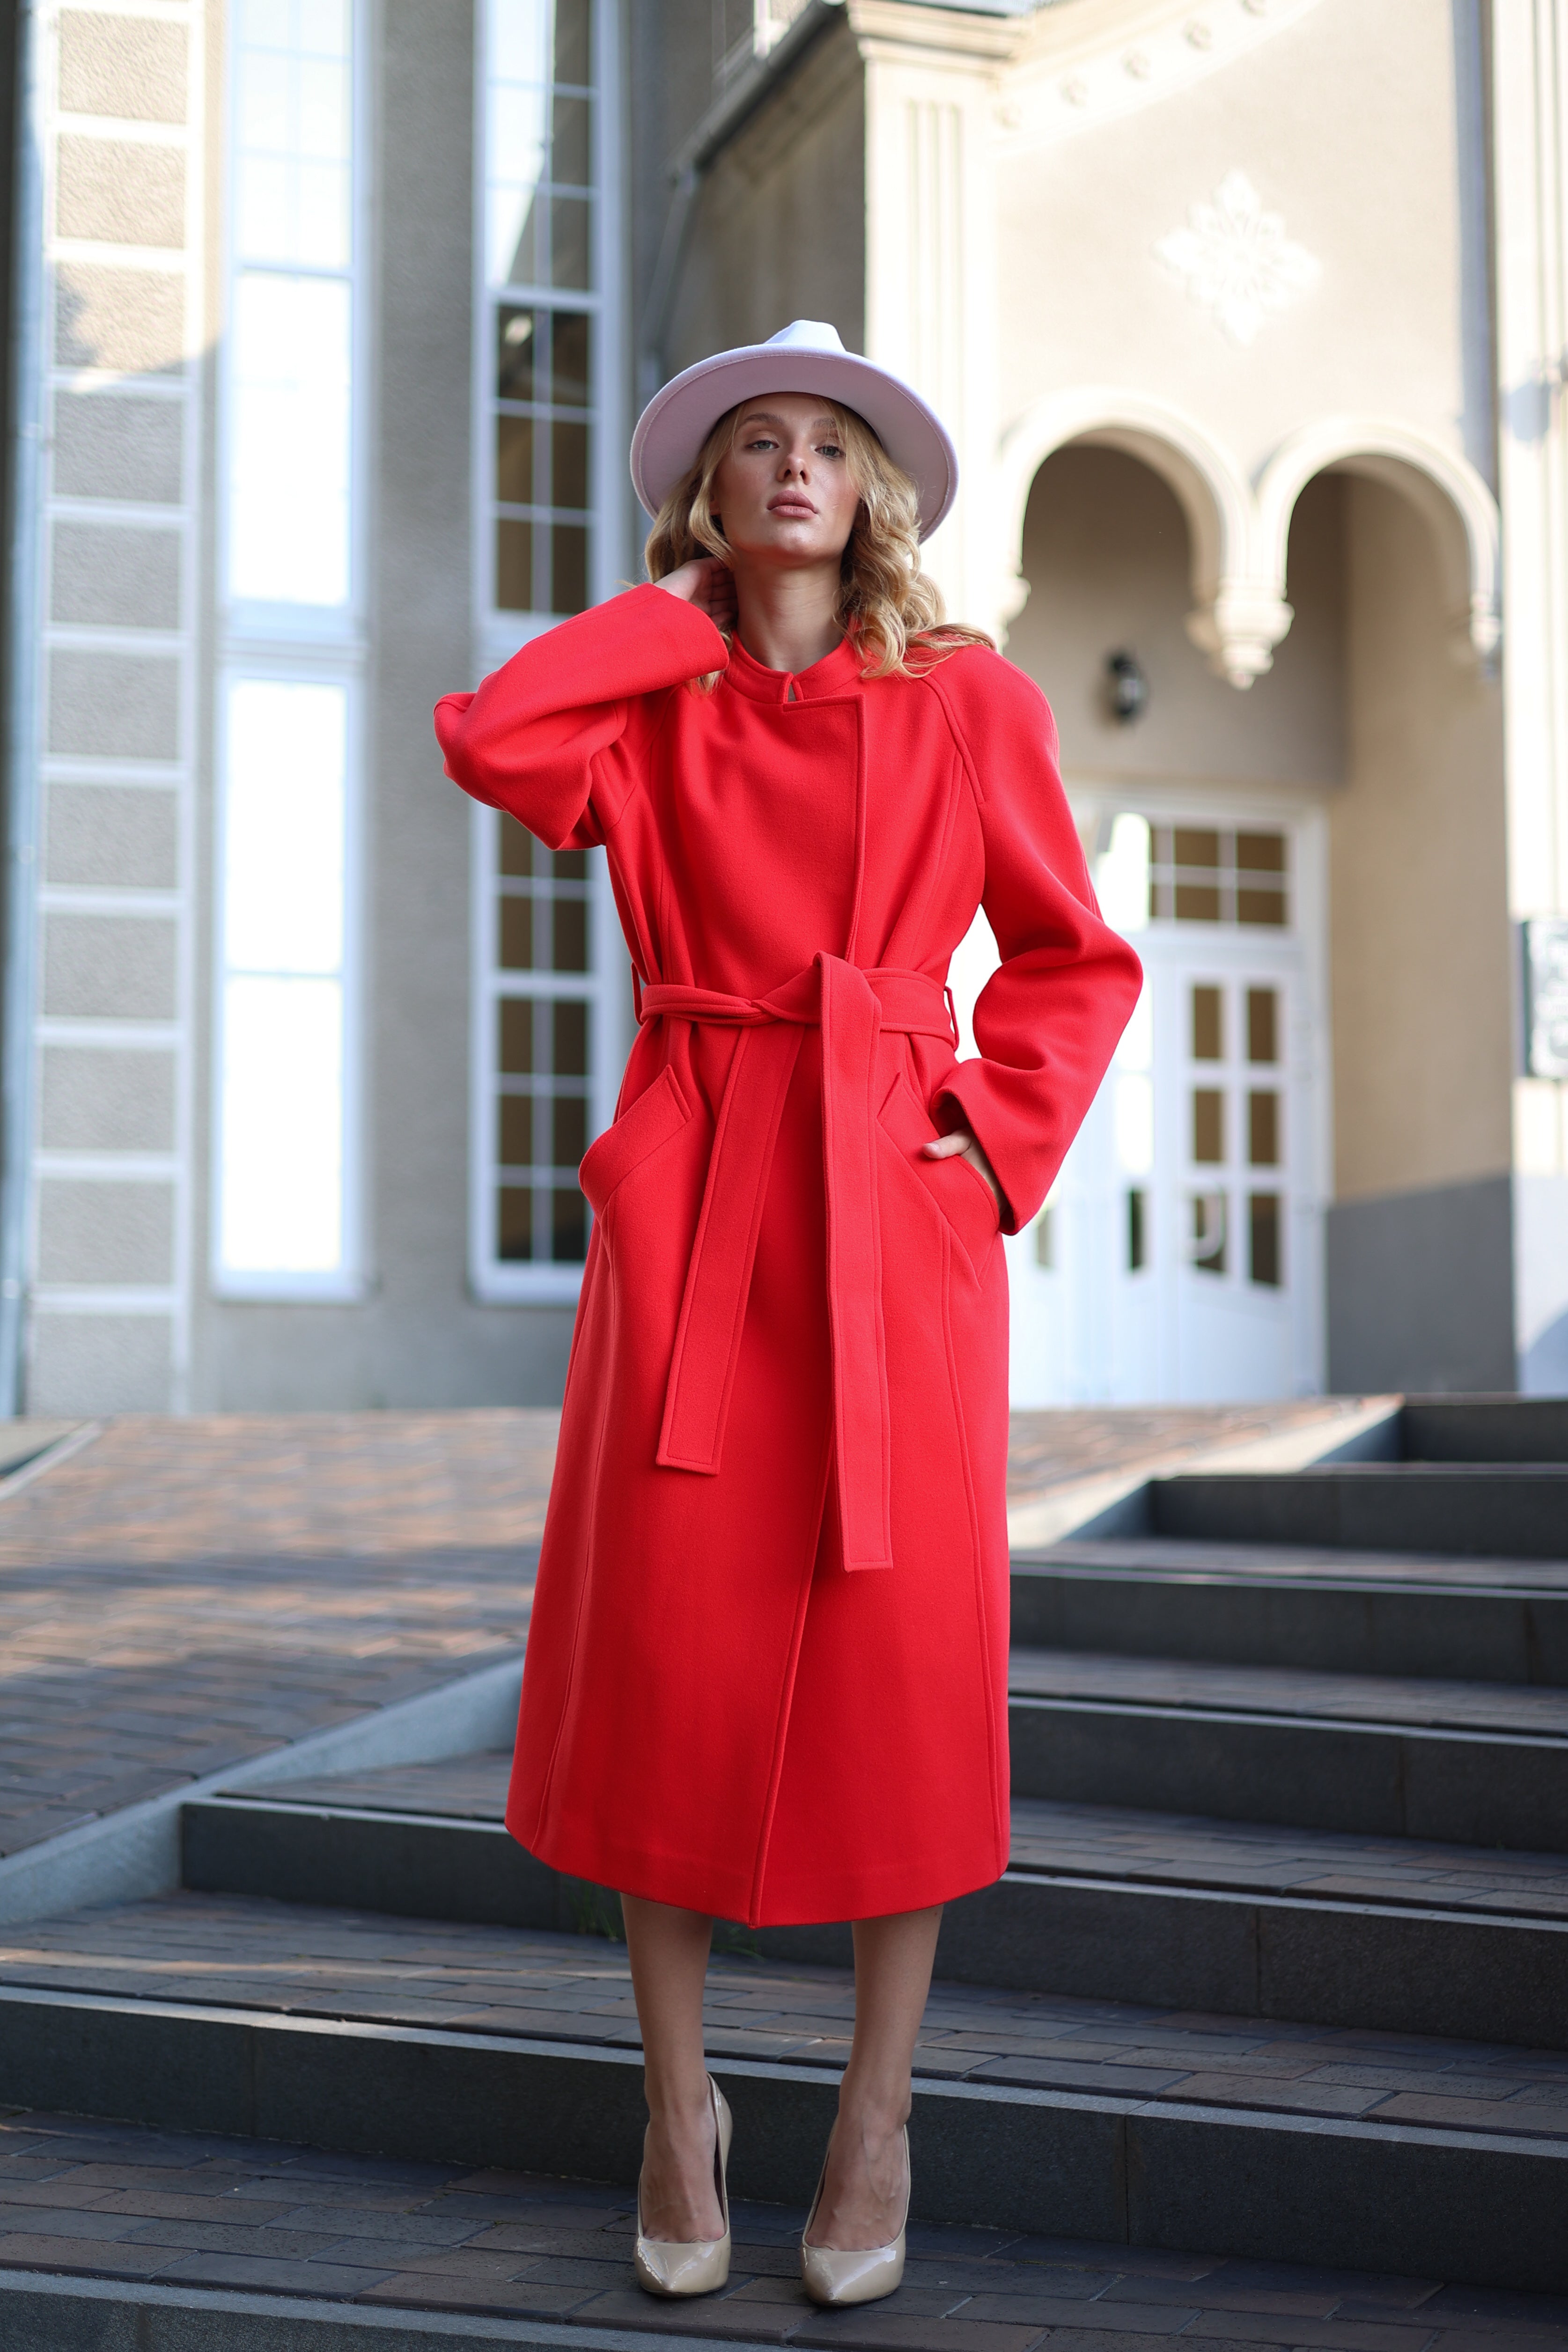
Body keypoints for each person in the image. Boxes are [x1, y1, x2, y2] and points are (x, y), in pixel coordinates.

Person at [434, 320, 1142, 2308]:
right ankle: (678, 2108)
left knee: (893, 1663)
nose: (796, 467)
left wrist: (981, 1147)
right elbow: (492, 733)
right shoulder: (650, 704)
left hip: (890, 1202)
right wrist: (662, 618)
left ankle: (871, 2109)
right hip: (694, 1192)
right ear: (709, 496)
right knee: (669, 1652)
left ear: (875, 488)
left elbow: (1076, 960)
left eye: (829, 440)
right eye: (755, 443)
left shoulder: (968, 701)